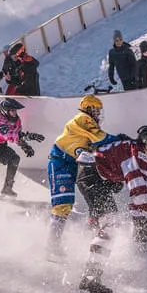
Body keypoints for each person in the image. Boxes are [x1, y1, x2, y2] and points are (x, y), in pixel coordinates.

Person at [74, 125, 147, 293]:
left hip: (93, 175)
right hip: (91, 176)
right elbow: (140, 193)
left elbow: (137, 196)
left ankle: (140, 233)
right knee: (110, 225)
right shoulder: (136, 155)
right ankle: (89, 284)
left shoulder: (134, 150)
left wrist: (141, 225)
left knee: (110, 223)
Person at [46, 95, 123, 259]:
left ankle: (91, 230)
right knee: (62, 205)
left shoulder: (88, 123)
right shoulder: (83, 118)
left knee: (85, 197)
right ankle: (51, 246)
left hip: (72, 163)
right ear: (88, 108)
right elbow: (101, 138)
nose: (97, 113)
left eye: (99, 110)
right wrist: (121, 140)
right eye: (95, 109)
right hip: (60, 162)